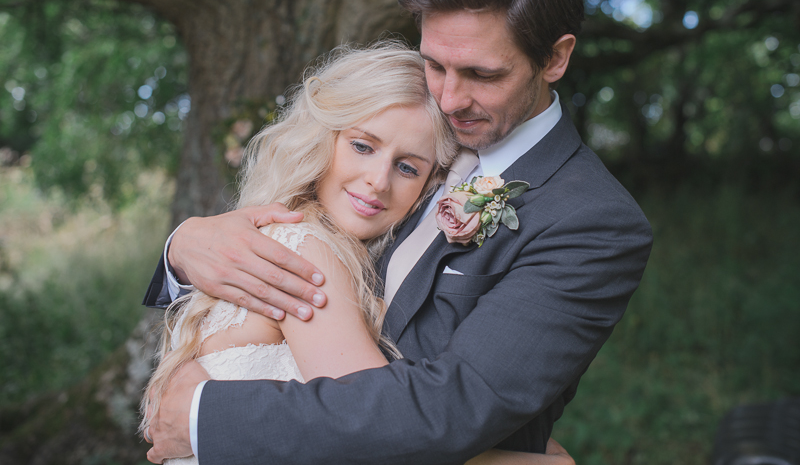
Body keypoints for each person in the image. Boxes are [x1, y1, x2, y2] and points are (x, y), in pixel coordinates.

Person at [144, 0, 653, 463]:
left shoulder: (591, 221)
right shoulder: (417, 129)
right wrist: (182, 248)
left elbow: (450, 409)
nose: (450, 99)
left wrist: (207, 419)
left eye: (483, 74)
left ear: (555, 58)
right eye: (434, 64)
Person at [141, 42, 573, 465]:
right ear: (323, 138)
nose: (378, 181)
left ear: (428, 186)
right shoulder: (305, 250)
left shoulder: (290, 238)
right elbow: (380, 432)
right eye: (362, 146)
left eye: (407, 167)